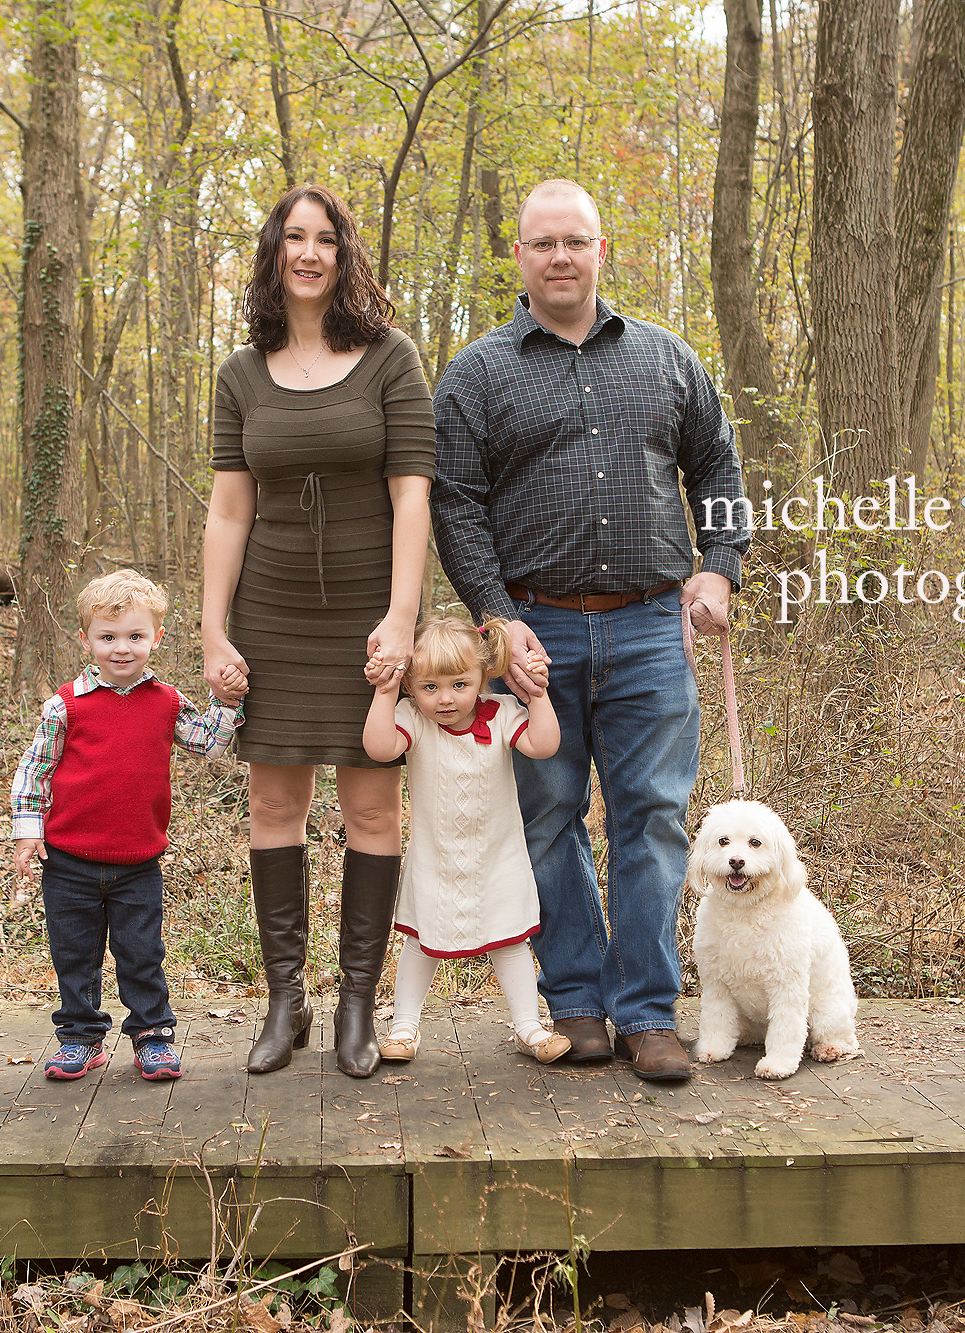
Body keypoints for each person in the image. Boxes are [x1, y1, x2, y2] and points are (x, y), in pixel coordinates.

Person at [430, 179, 750, 1082]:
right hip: (531, 633)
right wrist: (496, 616)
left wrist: (719, 563)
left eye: (577, 240)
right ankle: (575, 1004)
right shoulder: (479, 374)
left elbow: (717, 463)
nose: (561, 257)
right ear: (520, 257)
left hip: (651, 625)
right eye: (543, 244)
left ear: (602, 249)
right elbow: (456, 503)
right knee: (548, 817)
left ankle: (648, 1010)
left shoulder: (665, 359)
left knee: (651, 819)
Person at [203, 183, 435, 1079]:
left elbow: (412, 493)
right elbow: (229, 510)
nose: (308, 253)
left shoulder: (389, 359)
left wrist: (402, 617)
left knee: (372, 803)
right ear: (274, 252)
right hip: (271, 610)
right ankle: (284, 1000)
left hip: (368, 612)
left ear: (344, 255)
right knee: (274, 805)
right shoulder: (241, 372)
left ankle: (354, 1005)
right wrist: (215, 631)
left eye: (324, 239)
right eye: (292, 238)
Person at [9, 569, 242, 1082]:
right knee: (75, 954)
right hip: (68, 861)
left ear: (156, 637)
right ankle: (80, 1036)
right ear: (85, 639)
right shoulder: (65, 705)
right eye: (108, 637)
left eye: (135, 636)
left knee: (141, 953)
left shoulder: (167, 702)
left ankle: (152, 1035)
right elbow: (35, 767)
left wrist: (226, 703)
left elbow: (208, 743)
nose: (121, 648)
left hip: (138, 862)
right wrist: (29, 830)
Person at [360, 616, 571, 1064]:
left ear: (482, 677)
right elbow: (379, 748)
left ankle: (530, 1028)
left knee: (511, 939)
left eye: (459, 684)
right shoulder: (413, 720)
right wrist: (384, 692)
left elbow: (545, 744)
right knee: (420, 941)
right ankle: (403, 1026)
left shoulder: (501, 714)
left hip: (498, 856)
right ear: (411, 687)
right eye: (429, 687)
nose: (445, 698)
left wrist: (537, 694)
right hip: (436, 858)